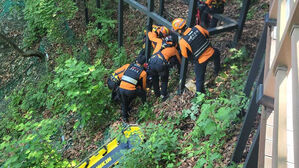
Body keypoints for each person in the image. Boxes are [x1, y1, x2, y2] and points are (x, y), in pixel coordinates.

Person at [172, 18, 220, 94]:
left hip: (201, 61)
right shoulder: (197, 27)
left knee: (199, 79)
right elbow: (207, 34)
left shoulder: (183, 41)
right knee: (217, 53)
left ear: (179, 30)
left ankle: (199, 96)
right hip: (211, 52)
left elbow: (185, 55)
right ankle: (217, 71)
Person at [148, 36, 182, 101]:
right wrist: (180, 70)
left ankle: (157, 94)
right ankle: (163, 96)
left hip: (151, 61)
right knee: (164, 80)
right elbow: (179, 61)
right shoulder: (173, 49)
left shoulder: (160, 44)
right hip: (160, 63)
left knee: (155, 79)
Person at [119, 55, 147, 123]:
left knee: (124, 102)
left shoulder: (128, 66)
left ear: (136, 61)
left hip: (121, 88)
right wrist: (143, 91)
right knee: (142, 93)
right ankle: (145, 106)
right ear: (143, 64)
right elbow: (144, 85)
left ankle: (125, 118)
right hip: (130, 91)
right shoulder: (143, 73)